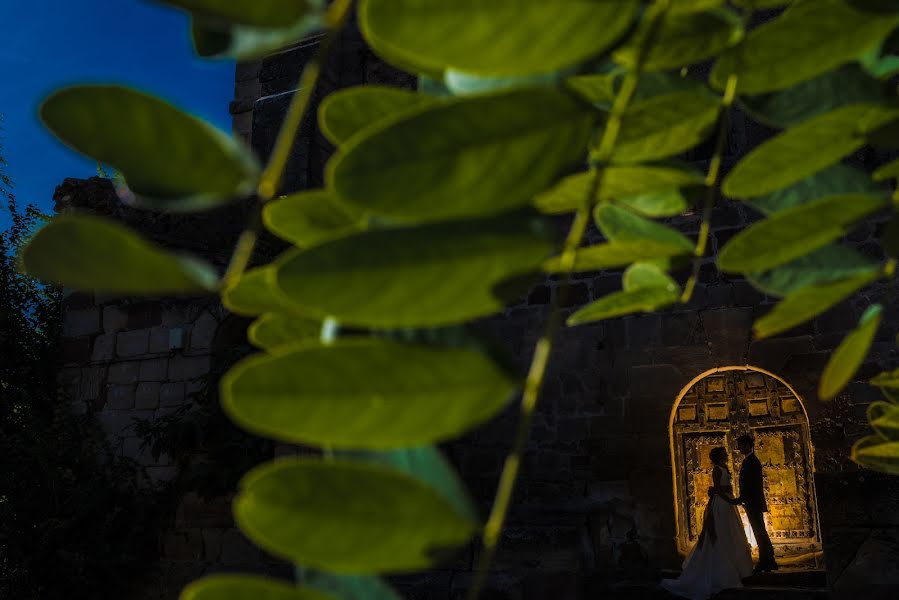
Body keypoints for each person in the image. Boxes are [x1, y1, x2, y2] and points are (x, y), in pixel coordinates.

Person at [661, 447, 753, 599]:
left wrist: (731, 498)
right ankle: (720, 572)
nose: (726, 454)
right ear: (719, 456)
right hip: (722, 503)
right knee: (721, 533)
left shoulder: (724, 468)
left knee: (729, 532)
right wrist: (730, 499)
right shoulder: (717, 469)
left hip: (727, 504)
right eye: (724, 453)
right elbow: (717, 489)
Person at [732, 433, 778, 573]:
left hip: (753, 502)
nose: (738, 448)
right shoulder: (749, 461)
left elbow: (753, 484)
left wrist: (742, 498)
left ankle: (766, 561)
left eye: (740, 445)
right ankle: (769, 559)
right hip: (751, 502)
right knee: (760, 531)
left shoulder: (752, 461)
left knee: (759, 531)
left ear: (746, 445)